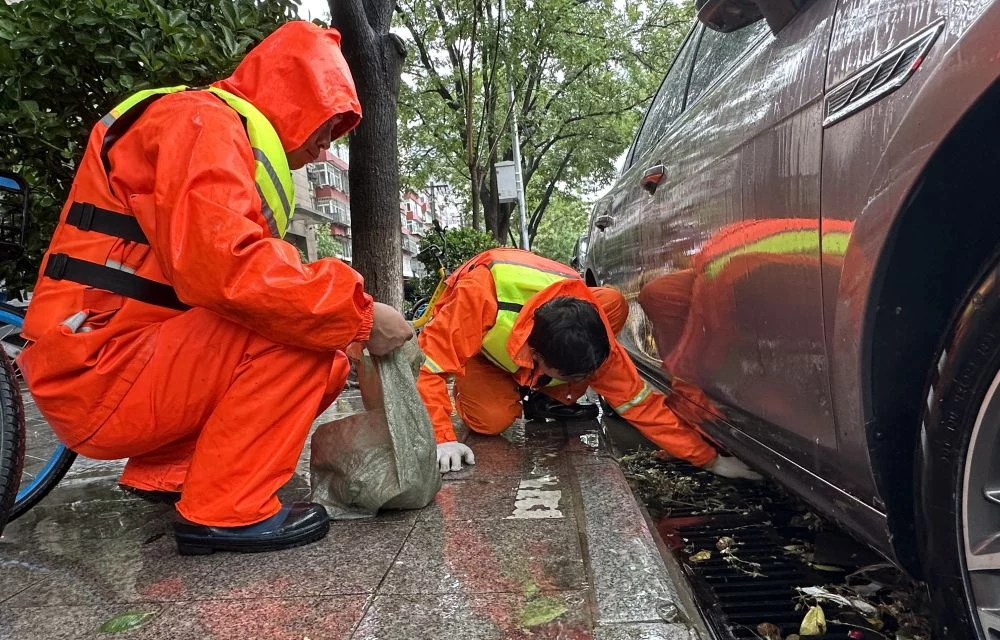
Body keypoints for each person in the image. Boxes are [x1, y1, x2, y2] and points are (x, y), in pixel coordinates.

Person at [18, 22, 413, 554]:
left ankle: (173, 475)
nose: (324, 150)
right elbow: (231, 271)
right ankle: (227, 509)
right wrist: (361, 315)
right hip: (102, 373)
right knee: (305, 337)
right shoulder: (201, 122)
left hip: (104, 364)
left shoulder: (208, 128)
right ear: (295, 96)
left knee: (319, 342)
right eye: (326, 125)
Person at [415, 247, 761, 479]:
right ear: (535, 357)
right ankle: (519, 390)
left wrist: (710, 459)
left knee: (610, 300)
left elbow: (639, 404)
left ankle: (542, 397)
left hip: (537, 342)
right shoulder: (480, 295)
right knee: (489, 421)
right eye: (569, 378)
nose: (586, 383)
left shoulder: (593, 335)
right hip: (485, 352)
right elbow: (429, 367)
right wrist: (442, 437)